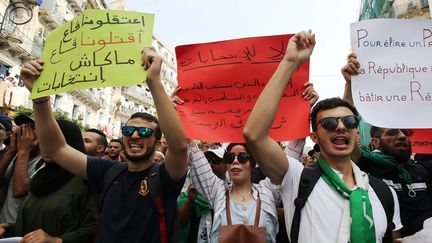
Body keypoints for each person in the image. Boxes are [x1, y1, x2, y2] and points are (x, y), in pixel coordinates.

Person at [243, 30, 402, 242]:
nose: (340, 128)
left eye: (350, 123)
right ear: (314, 137)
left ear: (357, 134)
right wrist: (291, 62)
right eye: (328, 124)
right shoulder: (297, 179)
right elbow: (254, 135)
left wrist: (351, 85)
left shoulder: (383, 192)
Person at [18, 46, 188, 243]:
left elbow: (179, 147)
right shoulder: (108, 171)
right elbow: (55, 149)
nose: (134, 135)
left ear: (158, 142)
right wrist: (39, 98)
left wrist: (154, 82)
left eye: (144, 132)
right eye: (128, 130)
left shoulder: (166, 176)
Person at [342, 53, 432, 238]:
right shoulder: (367, 168)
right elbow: (346, 132)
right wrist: (350, 86)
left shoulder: (421, 169)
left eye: (404, 132)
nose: (401, 136)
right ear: (375, 142)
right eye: (392, 133)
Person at [0, 120, 99, 243]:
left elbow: (92, 228)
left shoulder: (85, 180)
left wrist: (56, 240)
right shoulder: (40, 176)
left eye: (52, 142)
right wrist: (8, 227)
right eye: (43, 140)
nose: (46, 146)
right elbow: (35, 225)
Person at [188, 142, 279, 242]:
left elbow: (285, 169)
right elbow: (195, 155)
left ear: (252, 163)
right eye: (230, 157)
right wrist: (190, 141)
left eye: (242, 157)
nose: (235, 161)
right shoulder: (219, 192)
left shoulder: (267, 191)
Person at [0, 115, 41, 223]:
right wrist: (11, 151)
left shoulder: (43, 162)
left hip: (17, 230)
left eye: (32, 127)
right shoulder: (16, 156)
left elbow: (19, 191)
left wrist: (23, 151)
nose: (24, 130)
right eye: (23, 126)